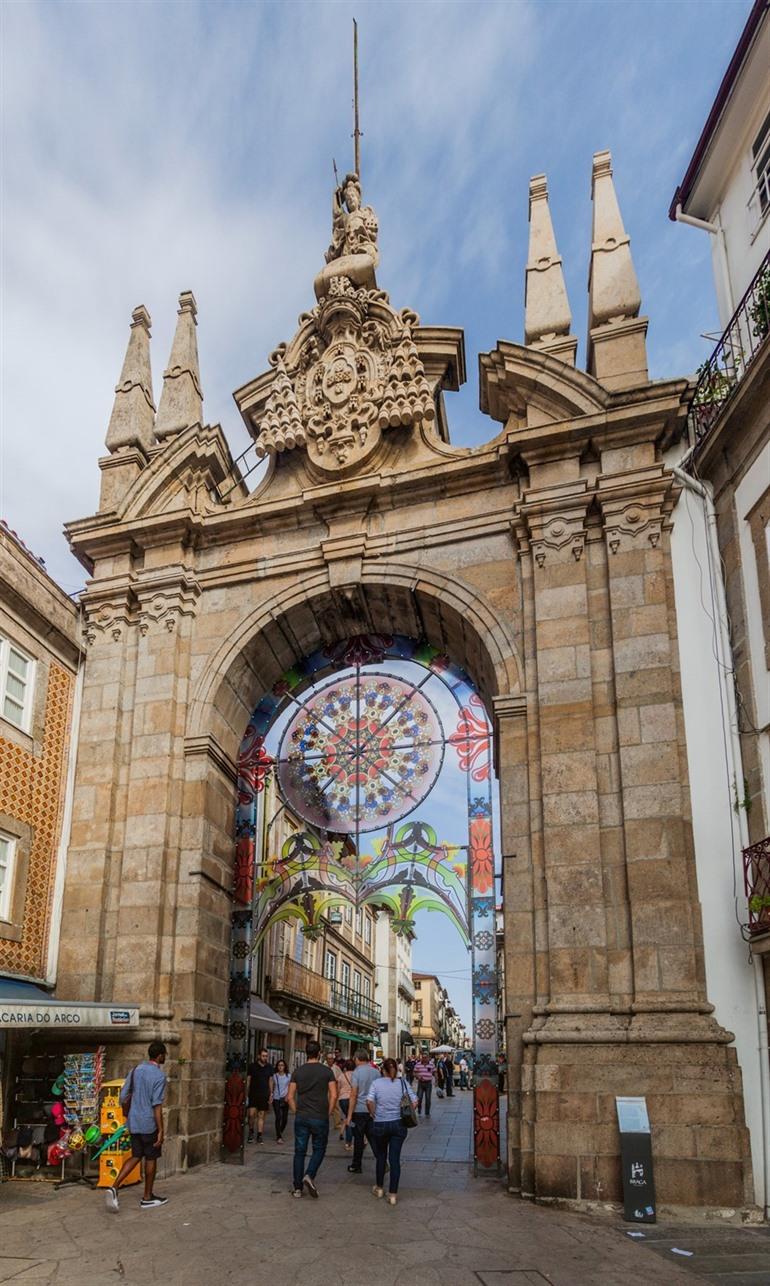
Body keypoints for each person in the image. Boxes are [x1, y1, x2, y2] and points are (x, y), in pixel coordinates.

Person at [106, 1040, 168, 1212]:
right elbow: (157, 1105)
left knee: (136, 1155)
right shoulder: (159, 1076)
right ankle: (147, 1197)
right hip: (149, 1123)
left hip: (133, 1122)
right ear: (160, 1056)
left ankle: (114, 1186)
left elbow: (123, 1097)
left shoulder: (135, 1070)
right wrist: (161, 1130)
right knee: (151, 1158)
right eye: (164, 1055)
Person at [287, 1040, 337, 1198]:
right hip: (320, 1116)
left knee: (299, 1151)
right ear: (319, 1053)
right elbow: (334, 1095)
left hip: (302, 1116)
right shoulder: (327, 1072)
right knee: (319, 1148)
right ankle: (309, 1174)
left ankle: (297, 1188)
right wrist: (329, 1112)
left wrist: (296, 1111)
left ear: (306, 1053)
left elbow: (289, 1096)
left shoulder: (297, 1072)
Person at [366, 1057, 417, 1206]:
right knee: (395, 1159)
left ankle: (379, 1188)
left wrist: (373, 1113)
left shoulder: (376, 1083)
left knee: (381, 1156)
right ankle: (393, 1194)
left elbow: (369, 1101)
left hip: (380, 1123)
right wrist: (405, 1112)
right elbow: (415, 1101)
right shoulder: (402, 1083)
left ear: (383, 1070)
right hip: (399, 1124)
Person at [344, 1047, 379, 1174]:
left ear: (357, 1059)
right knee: (373, 1138)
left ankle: (356, 1165)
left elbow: (354, 1094)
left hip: (359, 1110)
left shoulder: (357, 1072)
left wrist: (349, 1116)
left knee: (358, 1139)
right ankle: (381, 1160)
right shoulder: (376, 1072)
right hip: (372, 1110)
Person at [246, 1048, 274, 1143]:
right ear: (259, 1056)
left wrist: (271, 1094)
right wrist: (246, 1093)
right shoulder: (252, 1066)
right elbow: (248, 1080)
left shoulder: (269, 1067)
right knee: (251, 1115)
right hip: (253, 1094)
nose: (265, 1057)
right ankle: (251, 1132)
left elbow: (271, 1081)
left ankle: (259, 1135)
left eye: (266, 1056)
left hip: (264, 1094)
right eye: (263, 1056)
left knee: (261, 1115)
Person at [271, 1059, 291, 1144]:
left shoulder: (288, 1076)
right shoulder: (274, 1076)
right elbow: (272, 1085)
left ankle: (279, 1131)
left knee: (285, 1119)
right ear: (277, 1067)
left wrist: (288, 1096)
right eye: (279, 1065)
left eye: (282, 1065)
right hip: (276, 1099)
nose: (280, 1067)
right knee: (278, 1117)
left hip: (285, 1099)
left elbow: (290, 1087)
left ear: (285, 1066)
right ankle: (279, 1136)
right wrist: (271, 1095)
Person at [324, 1051, 345, 1134]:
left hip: (334, 1088)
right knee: (325, 1106)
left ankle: (337, 1123)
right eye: (328, 1059)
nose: (330, 1060)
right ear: (326, 1059)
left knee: (336, 1107)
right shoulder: (323, 1067)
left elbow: (341, 1077)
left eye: (331, 1059)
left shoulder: (336, 1068)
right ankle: (324, 1122)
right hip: (325, 1089)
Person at [337, 1059, 355, 1149]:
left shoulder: (341, 1076)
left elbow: (338, 1089)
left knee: (348, 1119)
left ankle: (348, 1143)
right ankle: (350, 1141)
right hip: (353, 1099)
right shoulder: (356, 1075)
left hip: (343, 1099)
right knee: (351, 1120)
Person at [413, 1051, 435, 1118]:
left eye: (425, 1057)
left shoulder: (431, 1064)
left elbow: (435, 1072)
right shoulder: (418, 1064)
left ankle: (427, 1113)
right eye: (423, 1057)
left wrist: (436, 1081)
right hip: (421, 1083)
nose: (424, 1058)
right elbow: (414, 1073)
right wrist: (418, 1076)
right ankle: (419, 1111)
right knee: (419, 1098)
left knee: (428, 1098)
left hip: (428, 1083)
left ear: (428, 1057)